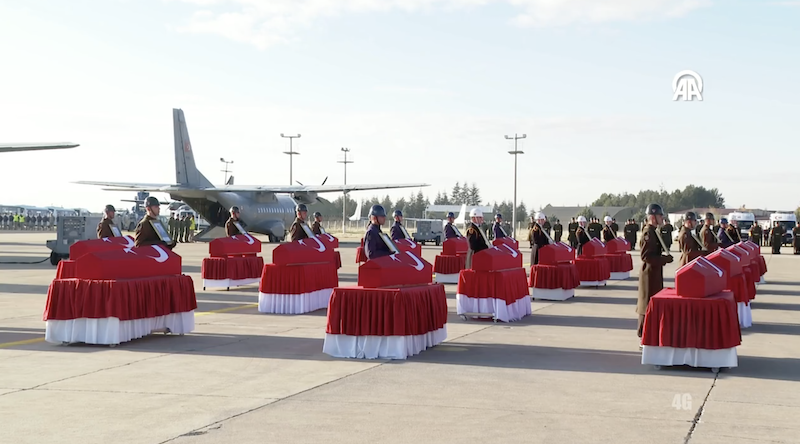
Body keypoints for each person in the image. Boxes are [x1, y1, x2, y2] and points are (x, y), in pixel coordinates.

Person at [637, 203, 673, 339]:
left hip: (654, 272)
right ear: (652, 217)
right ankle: (642, 335)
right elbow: (645, 256)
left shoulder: (653, 231)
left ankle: (649, 333)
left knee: (651, 303)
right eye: (659, 215)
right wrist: (663, 259)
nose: (662, 218)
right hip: (649, 273)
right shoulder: (648, 233)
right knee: (645, 304)